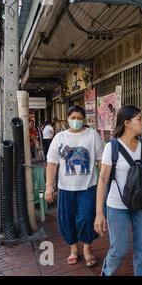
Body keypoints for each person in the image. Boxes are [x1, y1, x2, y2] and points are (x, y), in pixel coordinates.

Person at [94, 105, 142, 276]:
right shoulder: (112, 147)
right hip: (117, 205)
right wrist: (99, 212)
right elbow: (102, 180)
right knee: (119, 249)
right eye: (139, 119)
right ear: (126, 122)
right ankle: (106, 273)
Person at [44, 105, 104, 267]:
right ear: (68, 119)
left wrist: (105, 184)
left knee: (86, 218)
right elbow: (52, 163)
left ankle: (86, 248)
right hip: (65, 189)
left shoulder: (92, 135)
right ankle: (73, 249)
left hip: (88, 188)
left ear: (83, 119)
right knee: (67, 219)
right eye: (73, 118)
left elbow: (101, 163)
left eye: (79, 118)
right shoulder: (59, 138)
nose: (76, 121)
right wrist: (49, 186)